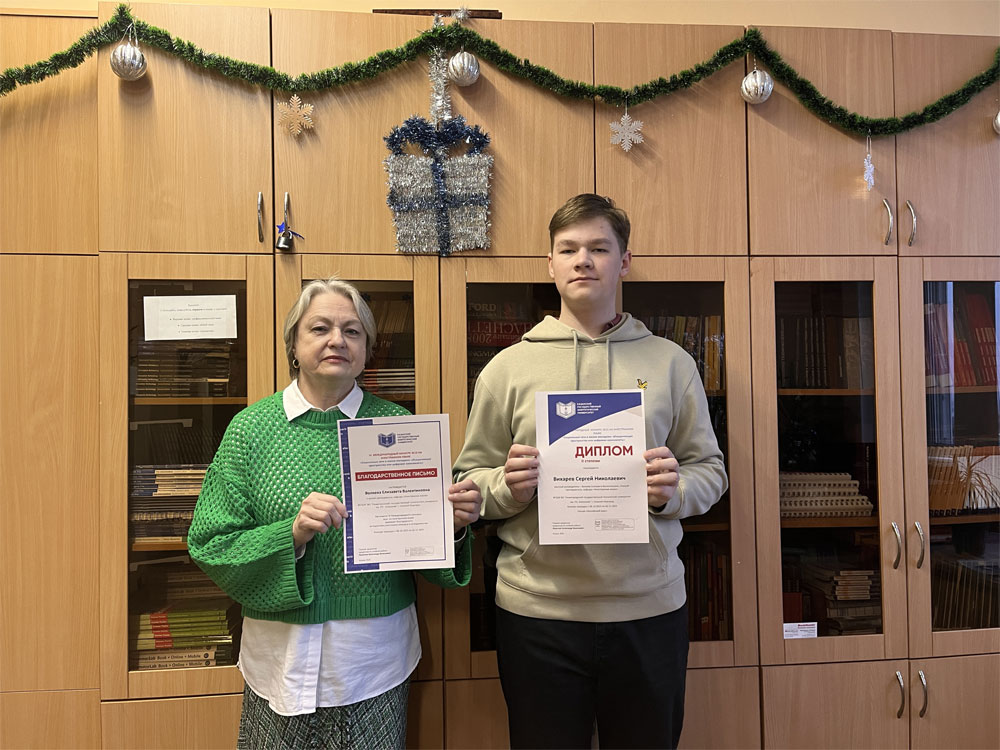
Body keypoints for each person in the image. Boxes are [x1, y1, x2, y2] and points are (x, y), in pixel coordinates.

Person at [453, 194, 728, 749]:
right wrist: (507, 488)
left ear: (624, 261)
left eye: (599, 248)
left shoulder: (671, 363)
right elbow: (470, 483)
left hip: (649, 609)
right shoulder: (507, 369)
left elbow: (710, 470)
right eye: (569, 249)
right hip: (537, 613)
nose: (583, 260)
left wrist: (672, 491)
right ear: (550, 263)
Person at [188, 278, 482, 750]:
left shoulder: (399, 429)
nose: (337, 341)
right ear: (293, 344)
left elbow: (428, 558)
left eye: (352, 331)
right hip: (278, 660)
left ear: (367, 349)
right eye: (320, 328)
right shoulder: (250, 430)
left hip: (373, 661)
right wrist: (290, 535)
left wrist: (453, 528)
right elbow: (211, 543)